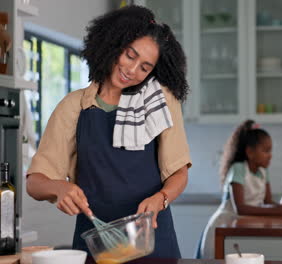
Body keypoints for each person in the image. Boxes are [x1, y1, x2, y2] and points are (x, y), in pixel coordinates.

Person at [25, 6, 191, 258]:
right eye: (129, 55)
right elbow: (35, 182)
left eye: (145, 67)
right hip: (97, 246)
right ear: (114, 44)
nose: (132, 70)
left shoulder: (160, 101)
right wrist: (59, 187)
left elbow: (179, 172)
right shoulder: (74, 106)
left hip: (153, 244)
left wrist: (161, 199)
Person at [198, 120, 282, 259]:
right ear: (250, 152)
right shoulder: (238, 169)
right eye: (266, 150)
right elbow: (240, 208)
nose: (270, 155)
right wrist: (278, 210)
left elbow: (267, 201)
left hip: (245, 223)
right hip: (225, 225)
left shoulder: (263, 171)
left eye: (270, 150)